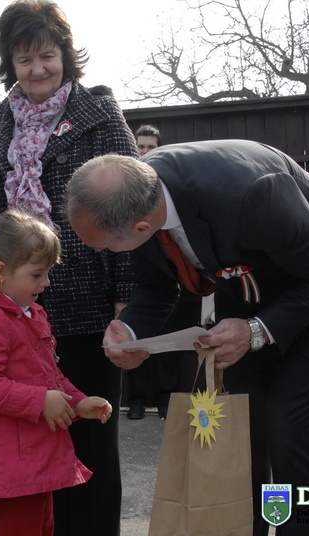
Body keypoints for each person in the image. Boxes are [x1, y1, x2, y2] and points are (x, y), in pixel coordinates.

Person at [65, 142, 309, 536]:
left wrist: (255, 330)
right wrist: (129, 331)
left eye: (105, 247)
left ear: (142, 228)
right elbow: (156, 288)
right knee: (241, 415)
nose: (102, 252)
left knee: (290, 420)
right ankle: (244, 526)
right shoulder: (136, 196)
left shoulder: (252, 194)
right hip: (251, 276)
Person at [0, 2, 137, 532]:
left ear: (65, 56)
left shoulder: (100, 118)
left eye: (47, 56)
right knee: (33, 440)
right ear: (10, 63)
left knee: (91, 435)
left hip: (87, 304)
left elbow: (130, 211)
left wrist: (128, 297)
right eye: (24, 59)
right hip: (12, 312)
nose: (37, 69)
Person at [0, 209, 112, 536]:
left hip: (35, 459)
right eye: (37, 274)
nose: (46, 283)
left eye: (47, 273)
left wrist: (78, 402)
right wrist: (40, 400)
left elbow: (49, 374)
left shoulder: (30, 312)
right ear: (1, 271)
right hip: (14, 464)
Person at [126, 123, 168, 419]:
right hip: (134, 277)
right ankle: (137, 400)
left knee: (167, 340)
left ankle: (165, 399)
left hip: (167, 275)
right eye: (140, 146)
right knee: (135, 340)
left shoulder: (167, 184)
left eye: (150, 147)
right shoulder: (125, 188)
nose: (144, 152)